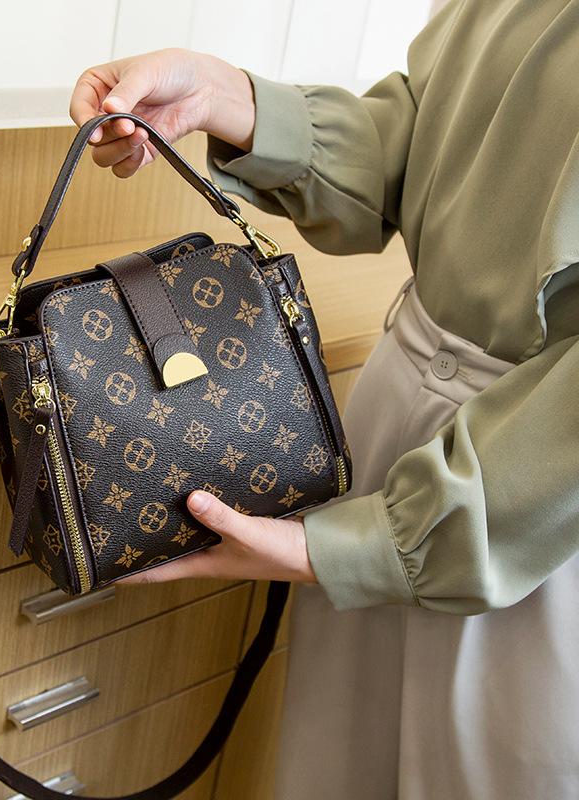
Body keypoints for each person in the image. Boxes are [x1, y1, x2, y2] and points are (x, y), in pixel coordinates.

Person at [69, 1, 579, 797]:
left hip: (535, 505)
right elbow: (426, 137)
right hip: (393, 439)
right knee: (335, 765)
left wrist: (366, 547)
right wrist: (221, 95)